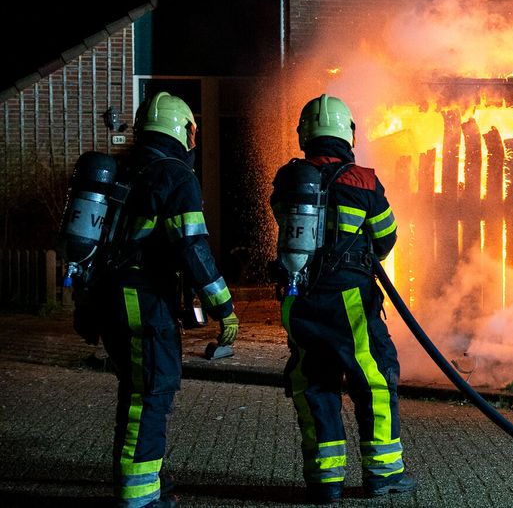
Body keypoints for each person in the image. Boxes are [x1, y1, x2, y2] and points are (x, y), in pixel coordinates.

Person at [93, 91, 239, 508]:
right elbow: (193, 248)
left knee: (135, 390)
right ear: (186, 131)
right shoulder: (176, 176)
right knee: (151, 393)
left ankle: (143, 476)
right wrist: (224, 307)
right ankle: (139, 497)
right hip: (143, 300)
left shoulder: (121, 168)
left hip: (109, 298)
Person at [270, 94, 414, 504]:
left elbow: (286, 223)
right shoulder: (364, 181)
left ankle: (325, 481)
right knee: (374, 378)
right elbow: (386, 239)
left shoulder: (288, 179)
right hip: (349, 299)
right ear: (348, 132)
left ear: (305, 133)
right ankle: (383, 473)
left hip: (299, 296)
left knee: (314, 383)